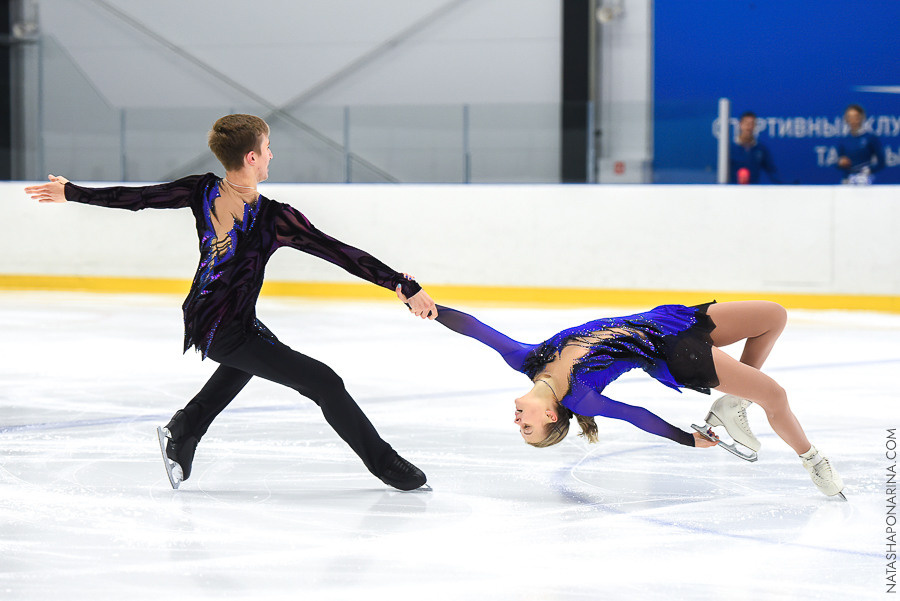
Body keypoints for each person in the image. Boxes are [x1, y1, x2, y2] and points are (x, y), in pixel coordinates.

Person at [24, 114, 438, 492]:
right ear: (252, 157)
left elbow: (337, 251)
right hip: (223, 326)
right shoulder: (253, 210)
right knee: (325, 383)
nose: (272, 155)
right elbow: (140, 197)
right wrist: (72, 192)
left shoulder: (231, 200)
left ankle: (185, 429)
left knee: (247, 364)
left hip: (221, 317)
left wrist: (398, 284)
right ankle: (385, 464)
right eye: (268, 148)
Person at [403, 295, 845, 500]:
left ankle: (733, 404)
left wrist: (429, 308)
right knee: (775, 395)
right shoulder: (582, 398)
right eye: (528, 429)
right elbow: (637, 415)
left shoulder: (527, 359)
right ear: (552, 416)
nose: (517, 422)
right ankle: (812, 459)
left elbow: (475, 329)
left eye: (521, 427)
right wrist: (685, 439)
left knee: (773, 316)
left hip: (666, 319)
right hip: (672, 353)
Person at [837, 104, 885, 184]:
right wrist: (840, 162)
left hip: (865, 180)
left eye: (855, 117)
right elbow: (838, 162)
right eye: (849, 117)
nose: (852, 120)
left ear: (861, 118)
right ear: (846, 119)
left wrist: (869, 170)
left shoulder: (870, 138)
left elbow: (881, 162)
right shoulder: (844, 140)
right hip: (848, 180)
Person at [729, 111, 779, 184]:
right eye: (746, 123)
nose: (749, 127)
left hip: (753, 189)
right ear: (740, 125)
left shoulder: (761, 149)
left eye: (752, 124)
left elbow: (772, 172)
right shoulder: (730, 148)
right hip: (732, 189)